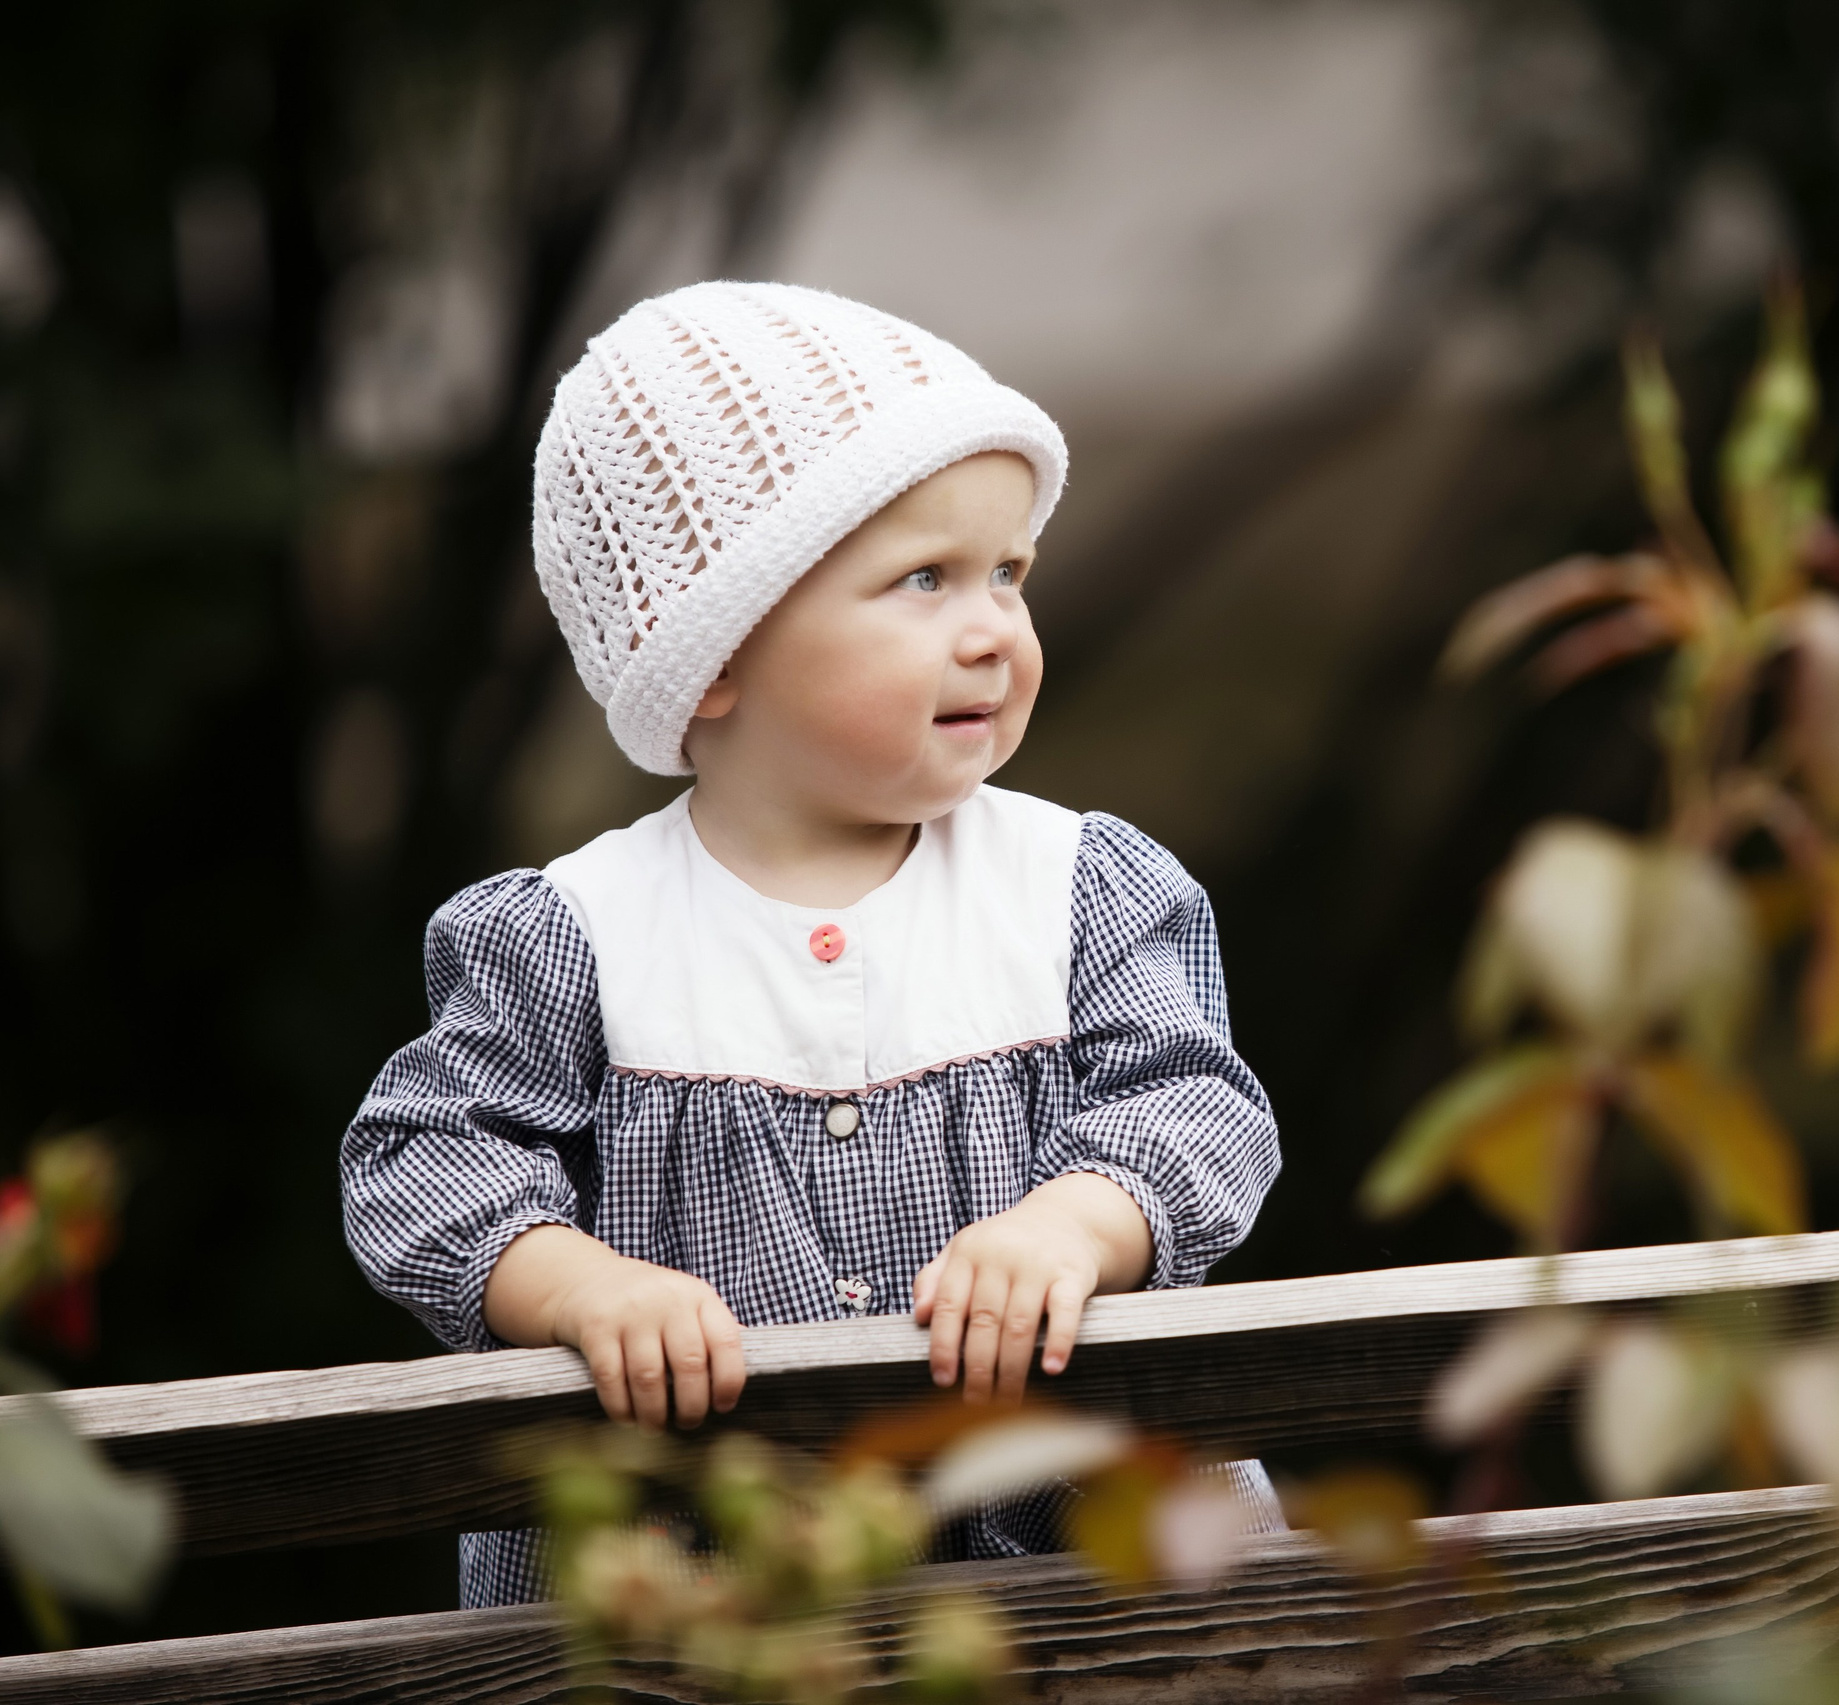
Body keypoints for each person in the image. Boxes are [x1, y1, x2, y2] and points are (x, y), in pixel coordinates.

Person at [339, 281, 1282, 1607]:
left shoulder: (1078, 887)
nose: (993, 629)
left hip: (1075, 1598)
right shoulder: (577, 936)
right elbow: (423, 1161)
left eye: (1009, 573)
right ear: (713, 656)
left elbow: (1194, 1102)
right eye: (924, 579)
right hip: (718, 1612)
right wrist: (580, 1288)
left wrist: (1078, 1223)